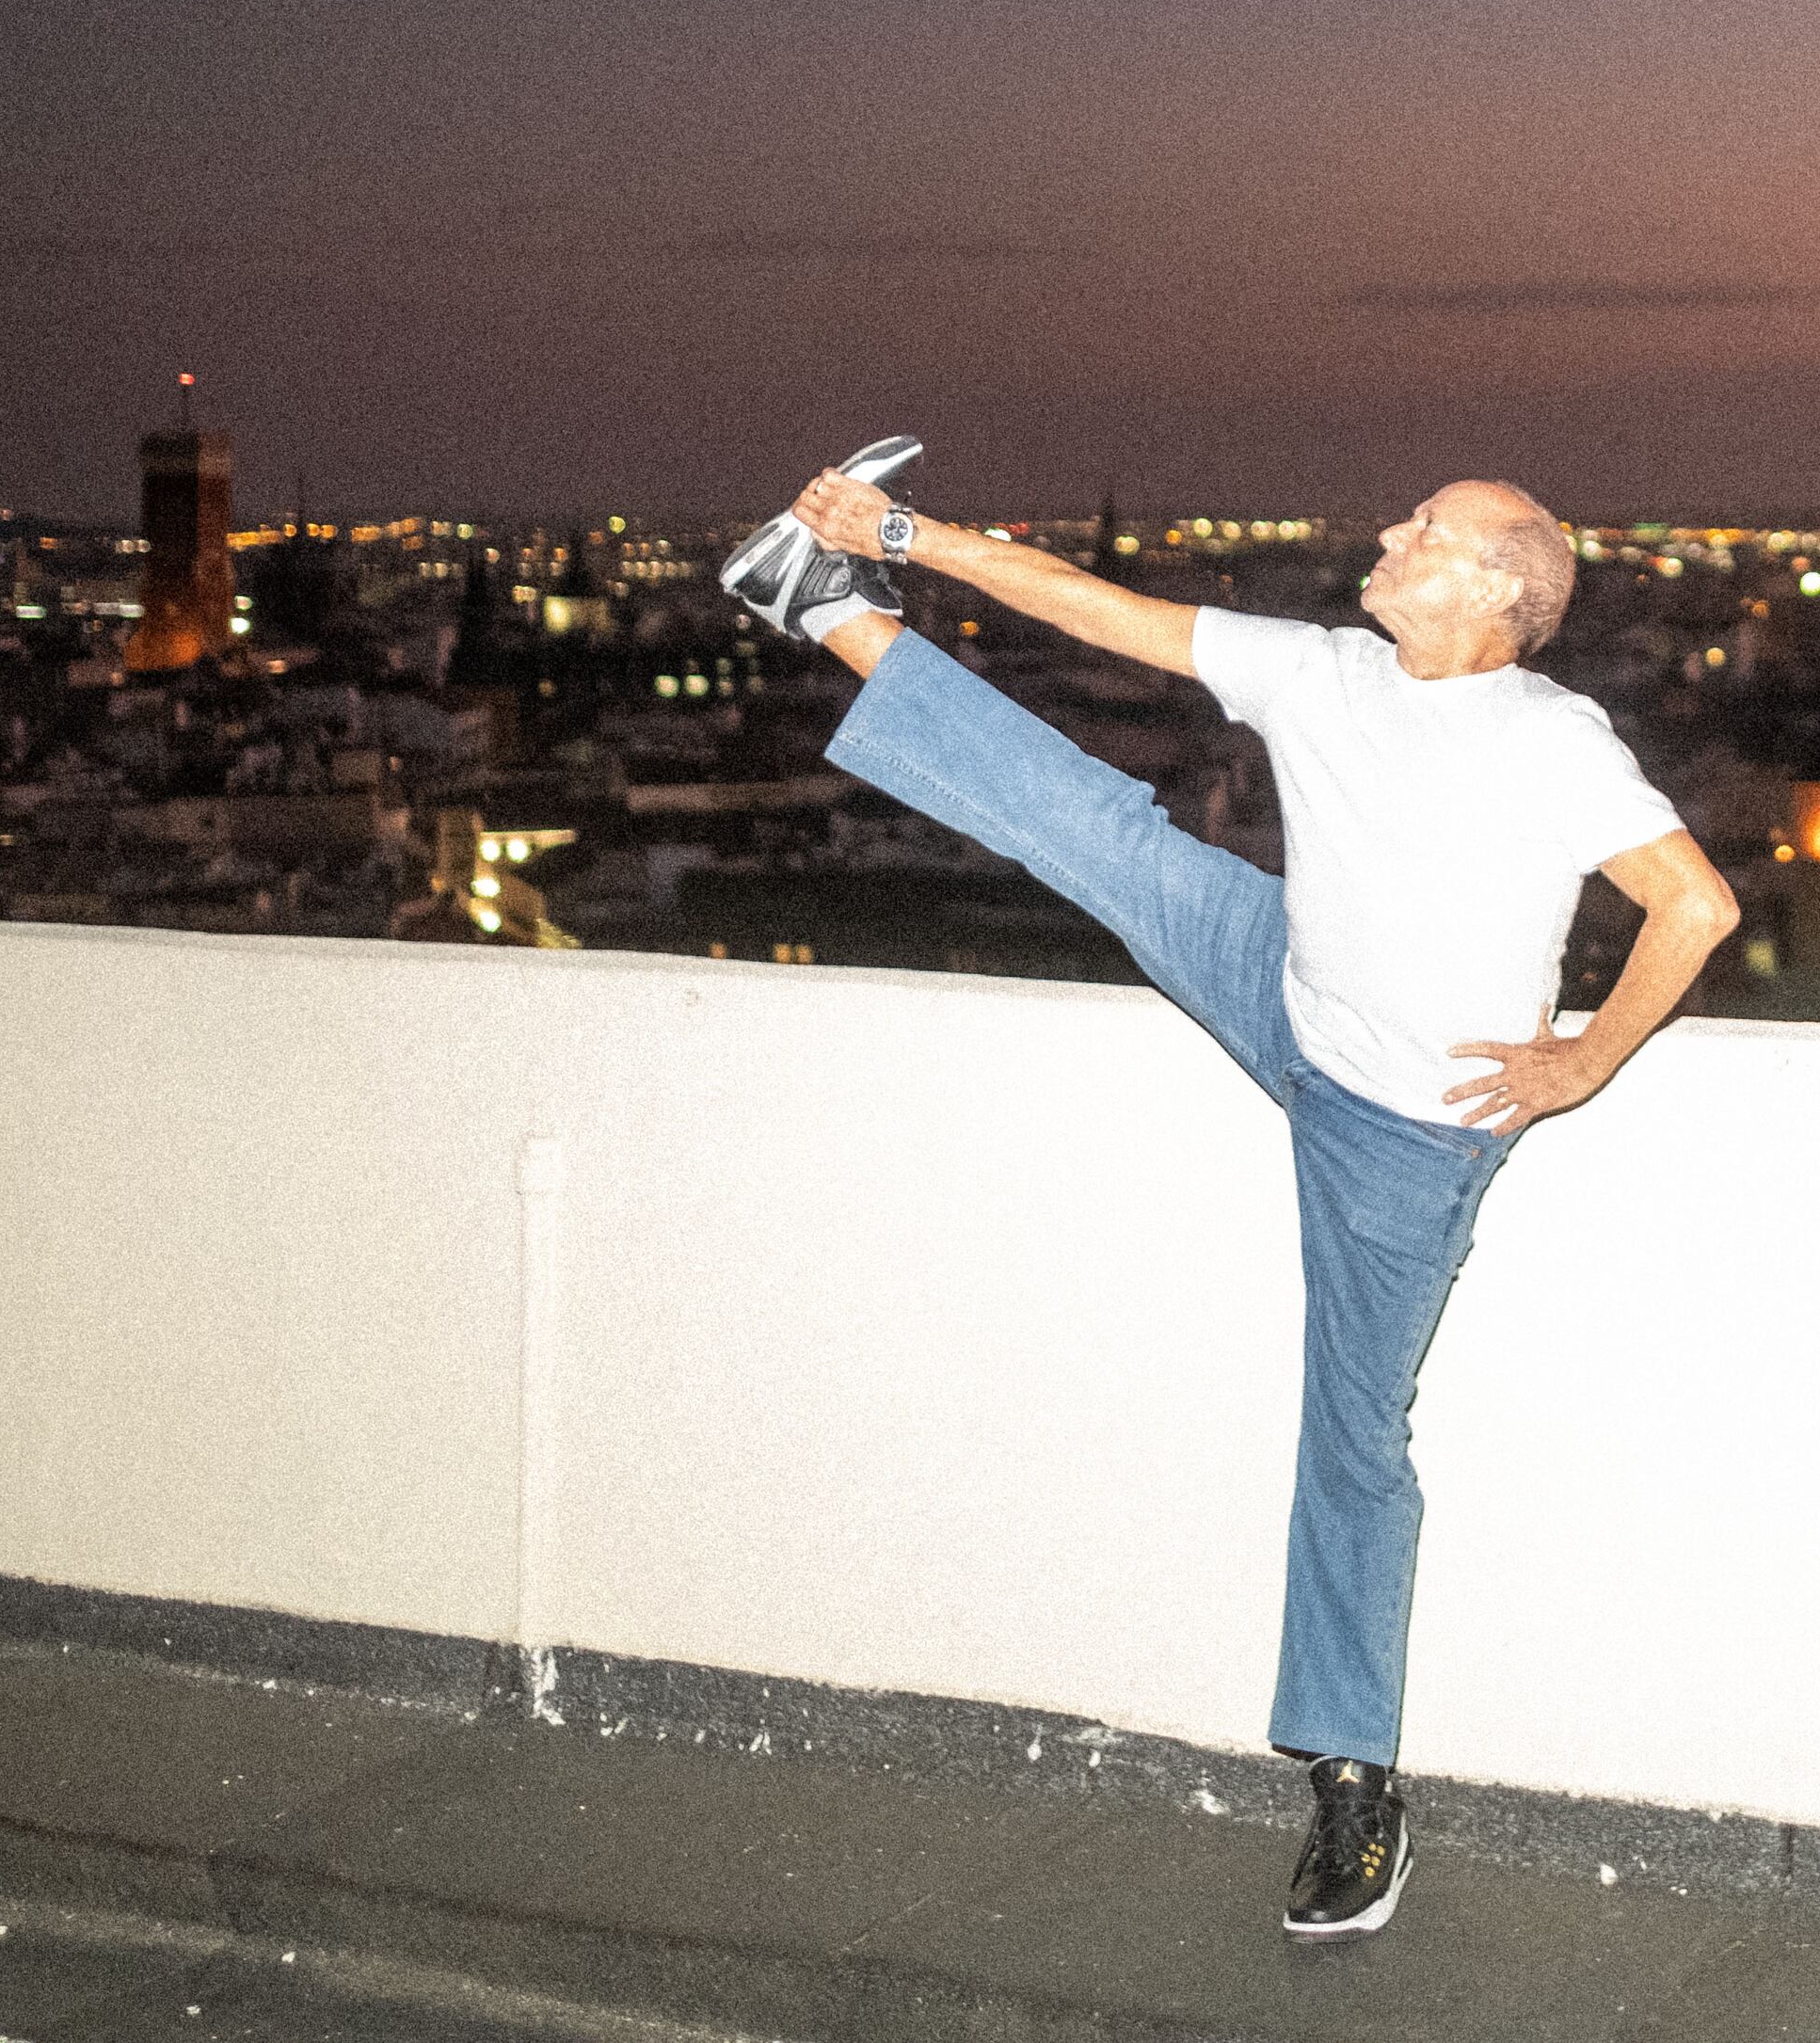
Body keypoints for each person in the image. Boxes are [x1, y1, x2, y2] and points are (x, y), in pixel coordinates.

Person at [722, 448, 1740, 1939]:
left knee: (1354, 1442)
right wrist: (900, 536)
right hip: (1283, 984)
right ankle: (820, 603)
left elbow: (1694, 902)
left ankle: (1354, 1783)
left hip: (1404, 1135)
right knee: (1100, 832)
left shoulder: (1548, 737)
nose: (1389, 531)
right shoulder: (1322, 670)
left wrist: (1579, 1063)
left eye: (1426, 529)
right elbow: (1094, 609)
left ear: (1497, 587)